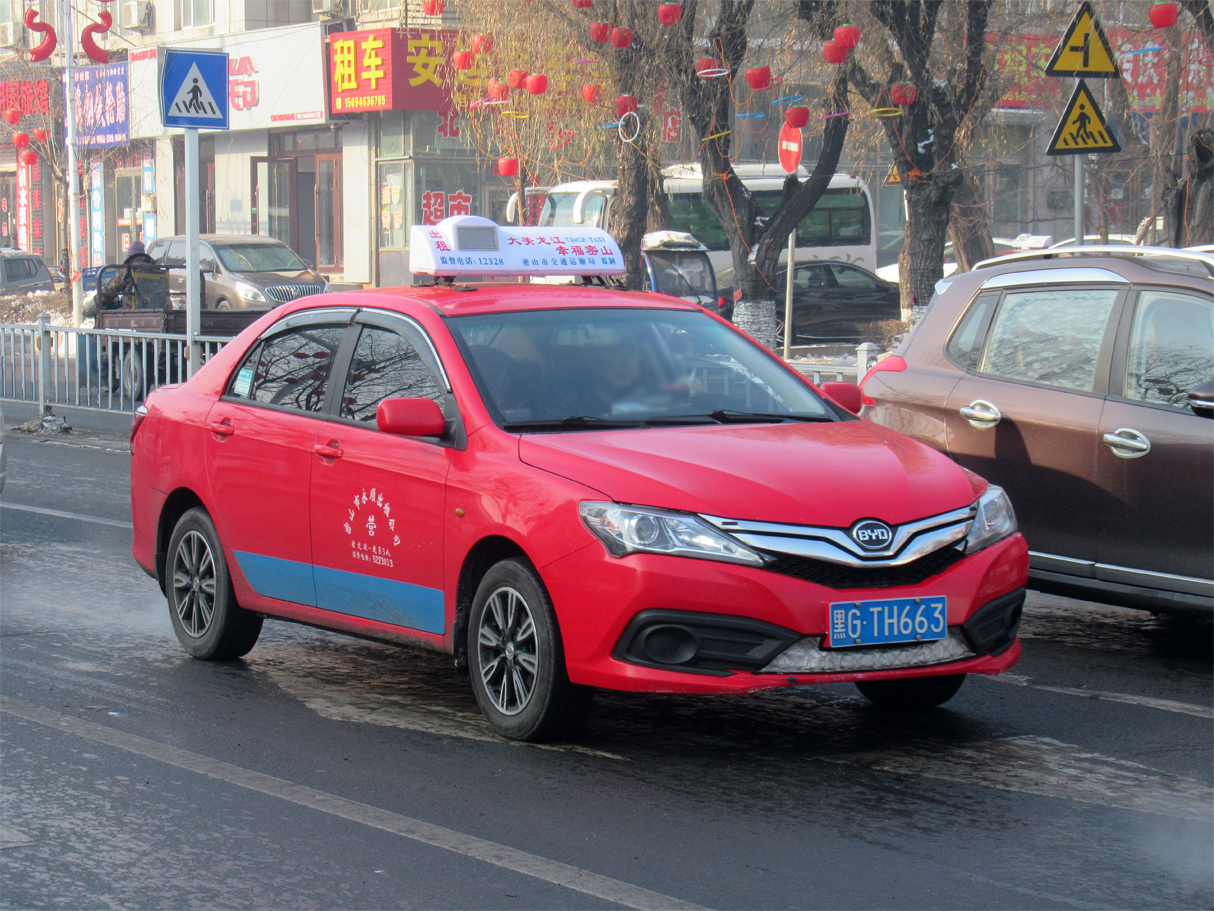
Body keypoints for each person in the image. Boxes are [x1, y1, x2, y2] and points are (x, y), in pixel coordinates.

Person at [85, 240, 156, 317]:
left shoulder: (127, 269)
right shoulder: (155, 269)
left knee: (104, 317)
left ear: (130, 255)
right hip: (156, 307)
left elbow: (110, 290)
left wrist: (94, 303)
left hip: (131, 310)